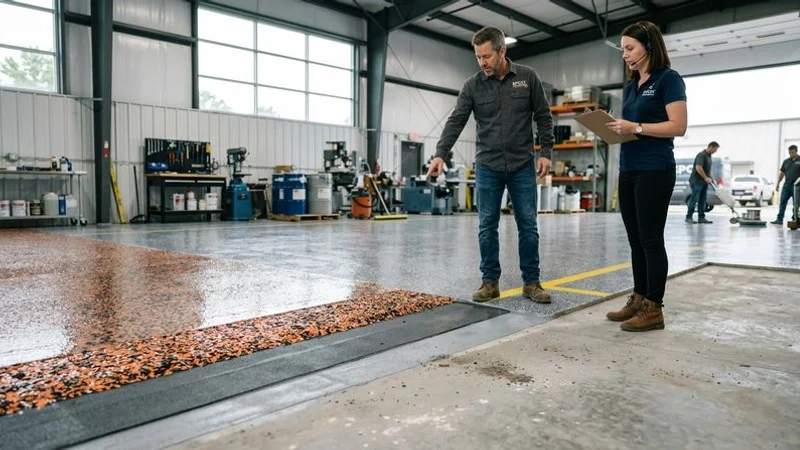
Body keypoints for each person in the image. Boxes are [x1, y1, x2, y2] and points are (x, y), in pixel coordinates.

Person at [426, 26, 554, 304]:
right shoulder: (472, 85)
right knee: (486, 226)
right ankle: (489, 282)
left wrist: (546, 152)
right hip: (488, 165)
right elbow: (456, 120)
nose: (482, 62)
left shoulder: (527, 78)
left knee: (528, 226)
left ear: (502, 51)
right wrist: (440, 154)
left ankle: (531, 283)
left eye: (487, 56)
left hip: (522, 165)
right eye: (478, 57)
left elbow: (544, 117)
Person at [604, 21, 687, 332]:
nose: (624, 54)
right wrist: (614, 128)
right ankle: (639, 298)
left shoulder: (669, 80)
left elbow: (678, 126)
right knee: (635, 240)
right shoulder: (631, 85)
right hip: (629, 168)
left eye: (630, 48)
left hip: (655, 169)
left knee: (651, 240)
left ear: (648, 46)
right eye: (623, 49)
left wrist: (635, 127)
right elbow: (630, 128)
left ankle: (654, 308)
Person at [686, 141, 720, 224]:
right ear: (711, 147)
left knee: (703, 199)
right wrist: (705, 178)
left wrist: (712, 179)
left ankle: (701, 217)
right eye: (715, 149)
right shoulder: (701, 155)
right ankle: (689, 217)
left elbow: (708, 170)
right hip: (696, 181)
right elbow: (698, 167)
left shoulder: (709, 156)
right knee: (694, 198)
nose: (715, 151)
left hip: (704, 182)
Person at [771, 144, 800, 225]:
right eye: (789, 153)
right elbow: (782, 173)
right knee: (782, 202)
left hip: (797, 187)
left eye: (792, 152)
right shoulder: (786, 161)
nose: (791, 154)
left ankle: (795, 219)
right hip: (786, 186)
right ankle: (779, 219)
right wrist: (777, 184)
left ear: (796, 151)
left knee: (796, 204)